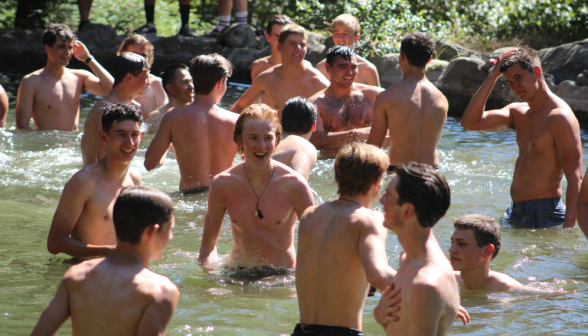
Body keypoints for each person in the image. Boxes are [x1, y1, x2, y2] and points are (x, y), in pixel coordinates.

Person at [461, 47, 582, 228]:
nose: (515, 88)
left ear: (537, 72)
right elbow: (470, 123)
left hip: (544, 214)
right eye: (510, 82)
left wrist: (569, 228)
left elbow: (574, 177)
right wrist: (492, 77)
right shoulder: (518, 113)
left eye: (518, 78)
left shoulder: (559, 117)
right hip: (516, 211)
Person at [32, 186, 179, 335]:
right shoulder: (159, 291)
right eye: (169, 229)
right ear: (151, 232)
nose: (171, 236)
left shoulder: (77, 275)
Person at [292, 142, 396, 336]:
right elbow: (378, 275)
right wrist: (431, 291)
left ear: (337, 177)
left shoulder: (309, 216)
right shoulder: (369, 219)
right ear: (376, 182)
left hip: (302, 331)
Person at [199, 104, 314, 269]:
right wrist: (210, 280)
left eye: (267, 138)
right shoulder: (222, 184)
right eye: (253, 137)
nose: (261, 146)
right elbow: (207, 248)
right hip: (236, 274)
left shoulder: (294, 185)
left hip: (281, 278)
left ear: (277, 140)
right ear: (240, 139)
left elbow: (318, 240)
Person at [47, 102, 143, 258]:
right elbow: (54, 242)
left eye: (134, 134)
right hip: (87, 273)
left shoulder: (135, 179)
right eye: (121, 134)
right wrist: (110, 252)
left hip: (122, 271)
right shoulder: (83, 181)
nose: (130, 143)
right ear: (104, 137)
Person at [376, 163, 460, 335]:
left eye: (388, 195)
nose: (381, 200)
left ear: (407, 210)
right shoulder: (408, 258)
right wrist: (379, 315)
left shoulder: (425, 285)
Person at [145, 54, 238, 193]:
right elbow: (253, 167)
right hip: (224, 196)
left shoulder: (173, 116)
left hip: (188, 197)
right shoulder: (237, 121)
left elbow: (150, 163)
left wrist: (169, 145)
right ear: (220, 83)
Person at [368, 33, 447, 171]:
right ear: (429, 60)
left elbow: (372, 150)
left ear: (402, 56)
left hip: (399, 172)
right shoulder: (442, 99)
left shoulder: (387, 97)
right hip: (433, 173)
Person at [16, 24, 113, 131]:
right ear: (47, 48)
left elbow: (112, 91)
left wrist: (88, 58)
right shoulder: (31, 81)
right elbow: (22, 126)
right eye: (61, 47)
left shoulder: (80, 77)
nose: (67, 52)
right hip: (48, 145)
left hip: (72, 144)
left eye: (70, 47)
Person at [229, 24, 329, 118]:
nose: (298, 48)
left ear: (306, 48)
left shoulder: (317, 82)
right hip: (276, 134)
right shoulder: (267, 78)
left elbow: (340, 110)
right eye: (292, 43)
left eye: (302, 45)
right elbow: (240, 107)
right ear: (280, 46)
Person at [310, 45, 384, 158]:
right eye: (343, 67)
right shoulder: (316, 103)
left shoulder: (375, 96)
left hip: (369, 162)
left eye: (353, 67)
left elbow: (395, 133)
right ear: (328, 68)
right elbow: (315, 141)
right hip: (331, 164)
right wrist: (356, 134)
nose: (350, 72)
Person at [81, 52, 150, 165]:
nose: (149, 82)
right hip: (97, 180)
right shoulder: (105, 108)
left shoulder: (126, 108)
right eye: (146, 77)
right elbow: (104, 164)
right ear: (129, 77)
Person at [450, 214, 525, 290]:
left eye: (462, 244)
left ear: (487, 251)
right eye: (452, 242)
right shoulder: (445, 280)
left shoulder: (510, 290)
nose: (451, 249)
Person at [316, 14, 380, 87]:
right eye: (337, 33)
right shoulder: (322, 68)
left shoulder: (368, 70)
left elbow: (378, 98)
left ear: (356, 37)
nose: (340, 38)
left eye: (346, 34)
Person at [118, 34, 168, 117]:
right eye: (134, 54)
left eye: (143, 55)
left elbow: (164, 116)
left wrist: (128, 100)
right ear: (123, 53)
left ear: (149, 56)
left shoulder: (156, 82)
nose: (139, 59)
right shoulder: (115, 82)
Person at [272, 96, 318, 181]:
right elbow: (297, 182)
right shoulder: (304, 147)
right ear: (314, 126)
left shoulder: (266, 141)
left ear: (280, 122)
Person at [146, 62, 194, 133]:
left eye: (191, 82)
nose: (191, 87)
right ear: (170, 88)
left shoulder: (199, 112)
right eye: (185, 83)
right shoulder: (156, 118)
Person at [251, 15, 292, 81]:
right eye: (277, 36)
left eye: (285, 36)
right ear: (268, 37)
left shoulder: (302, 67)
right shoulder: (259, 67)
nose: (281, 41)